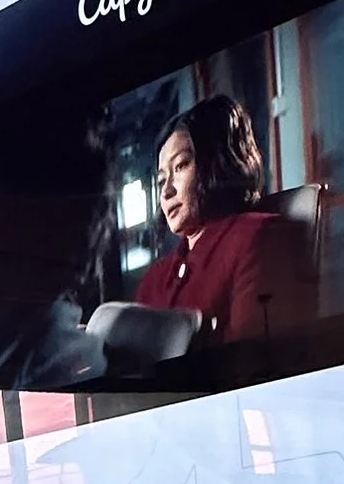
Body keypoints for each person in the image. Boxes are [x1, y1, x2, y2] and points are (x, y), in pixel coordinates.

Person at [133, 95, 316, 345]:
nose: (166, 192)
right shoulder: (154, 277)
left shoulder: (260, 237)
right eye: (162, 179)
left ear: (215, 164)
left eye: (181, 166)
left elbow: (254, 357)